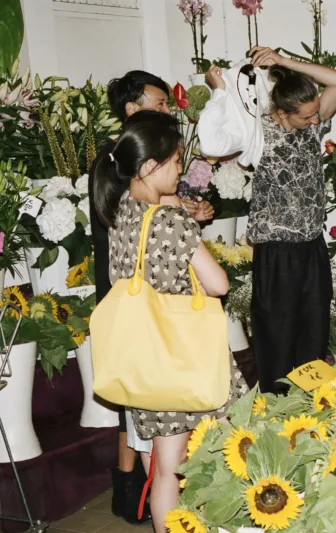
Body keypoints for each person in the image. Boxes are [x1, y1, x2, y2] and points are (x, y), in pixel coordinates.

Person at [92, 111, 249, 533]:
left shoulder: (121, 209)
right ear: (149, 166)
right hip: (180, 359)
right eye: (176, 160)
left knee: (161, 469)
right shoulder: (170, 222)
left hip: (143, 359)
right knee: (201, 462)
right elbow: (217, 283)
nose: (181, 168)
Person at [88, 70, 214, 523]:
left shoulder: (124, 198)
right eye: (160, 105)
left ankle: (151, 510)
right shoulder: (156, 205)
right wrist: (184, 223)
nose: (167, 110)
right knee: (170, 467)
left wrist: (179, 209)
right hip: (163, 340)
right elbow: (215, 282)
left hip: (139, 337)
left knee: (155, 457)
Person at [205, 47, 336, 394]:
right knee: (277, 336)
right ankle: (277, 408)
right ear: (282, 113)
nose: (316, 122)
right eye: (307, 116)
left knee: (315, 332)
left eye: (317, 114)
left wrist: (281, 61)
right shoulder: (258, 133)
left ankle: (311, 405)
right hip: (277, 251)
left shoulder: (312, 128)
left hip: (312, 246)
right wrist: (218, 92)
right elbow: (210, 142)